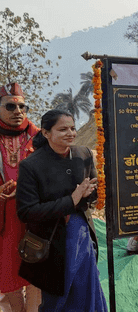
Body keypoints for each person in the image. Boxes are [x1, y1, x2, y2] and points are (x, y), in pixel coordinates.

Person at [16, 109, 108, 312]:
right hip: (52, 242)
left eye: (73, 128)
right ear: (46, 133)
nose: (71, 133)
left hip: (82, 237)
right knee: (59, 298)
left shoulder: (83, 154)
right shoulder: (31, 166)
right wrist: (72, 200)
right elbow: (26, 211)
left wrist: (93, 193)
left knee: (87, 291)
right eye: (63, 129)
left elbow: (91, 196)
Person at [0, 83, 41, 312]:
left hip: (34, 213)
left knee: (37, 262)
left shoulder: (40, 137)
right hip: (5, 217)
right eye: (10, 106)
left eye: (22, 107)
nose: (18, 112)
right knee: (8, 270)